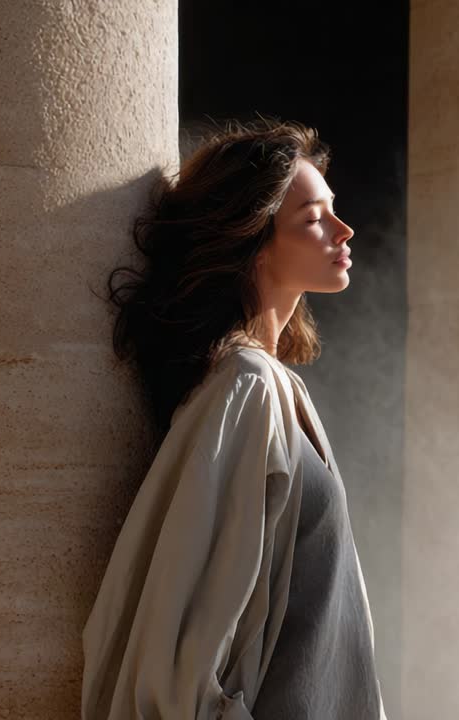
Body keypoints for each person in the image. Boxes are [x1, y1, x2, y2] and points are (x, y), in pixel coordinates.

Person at [82, 117, 387, 720]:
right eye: (314, 218)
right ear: (254, 237)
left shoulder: (270, 384)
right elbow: (186, 649)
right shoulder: (246, 387)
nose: (344, 229)